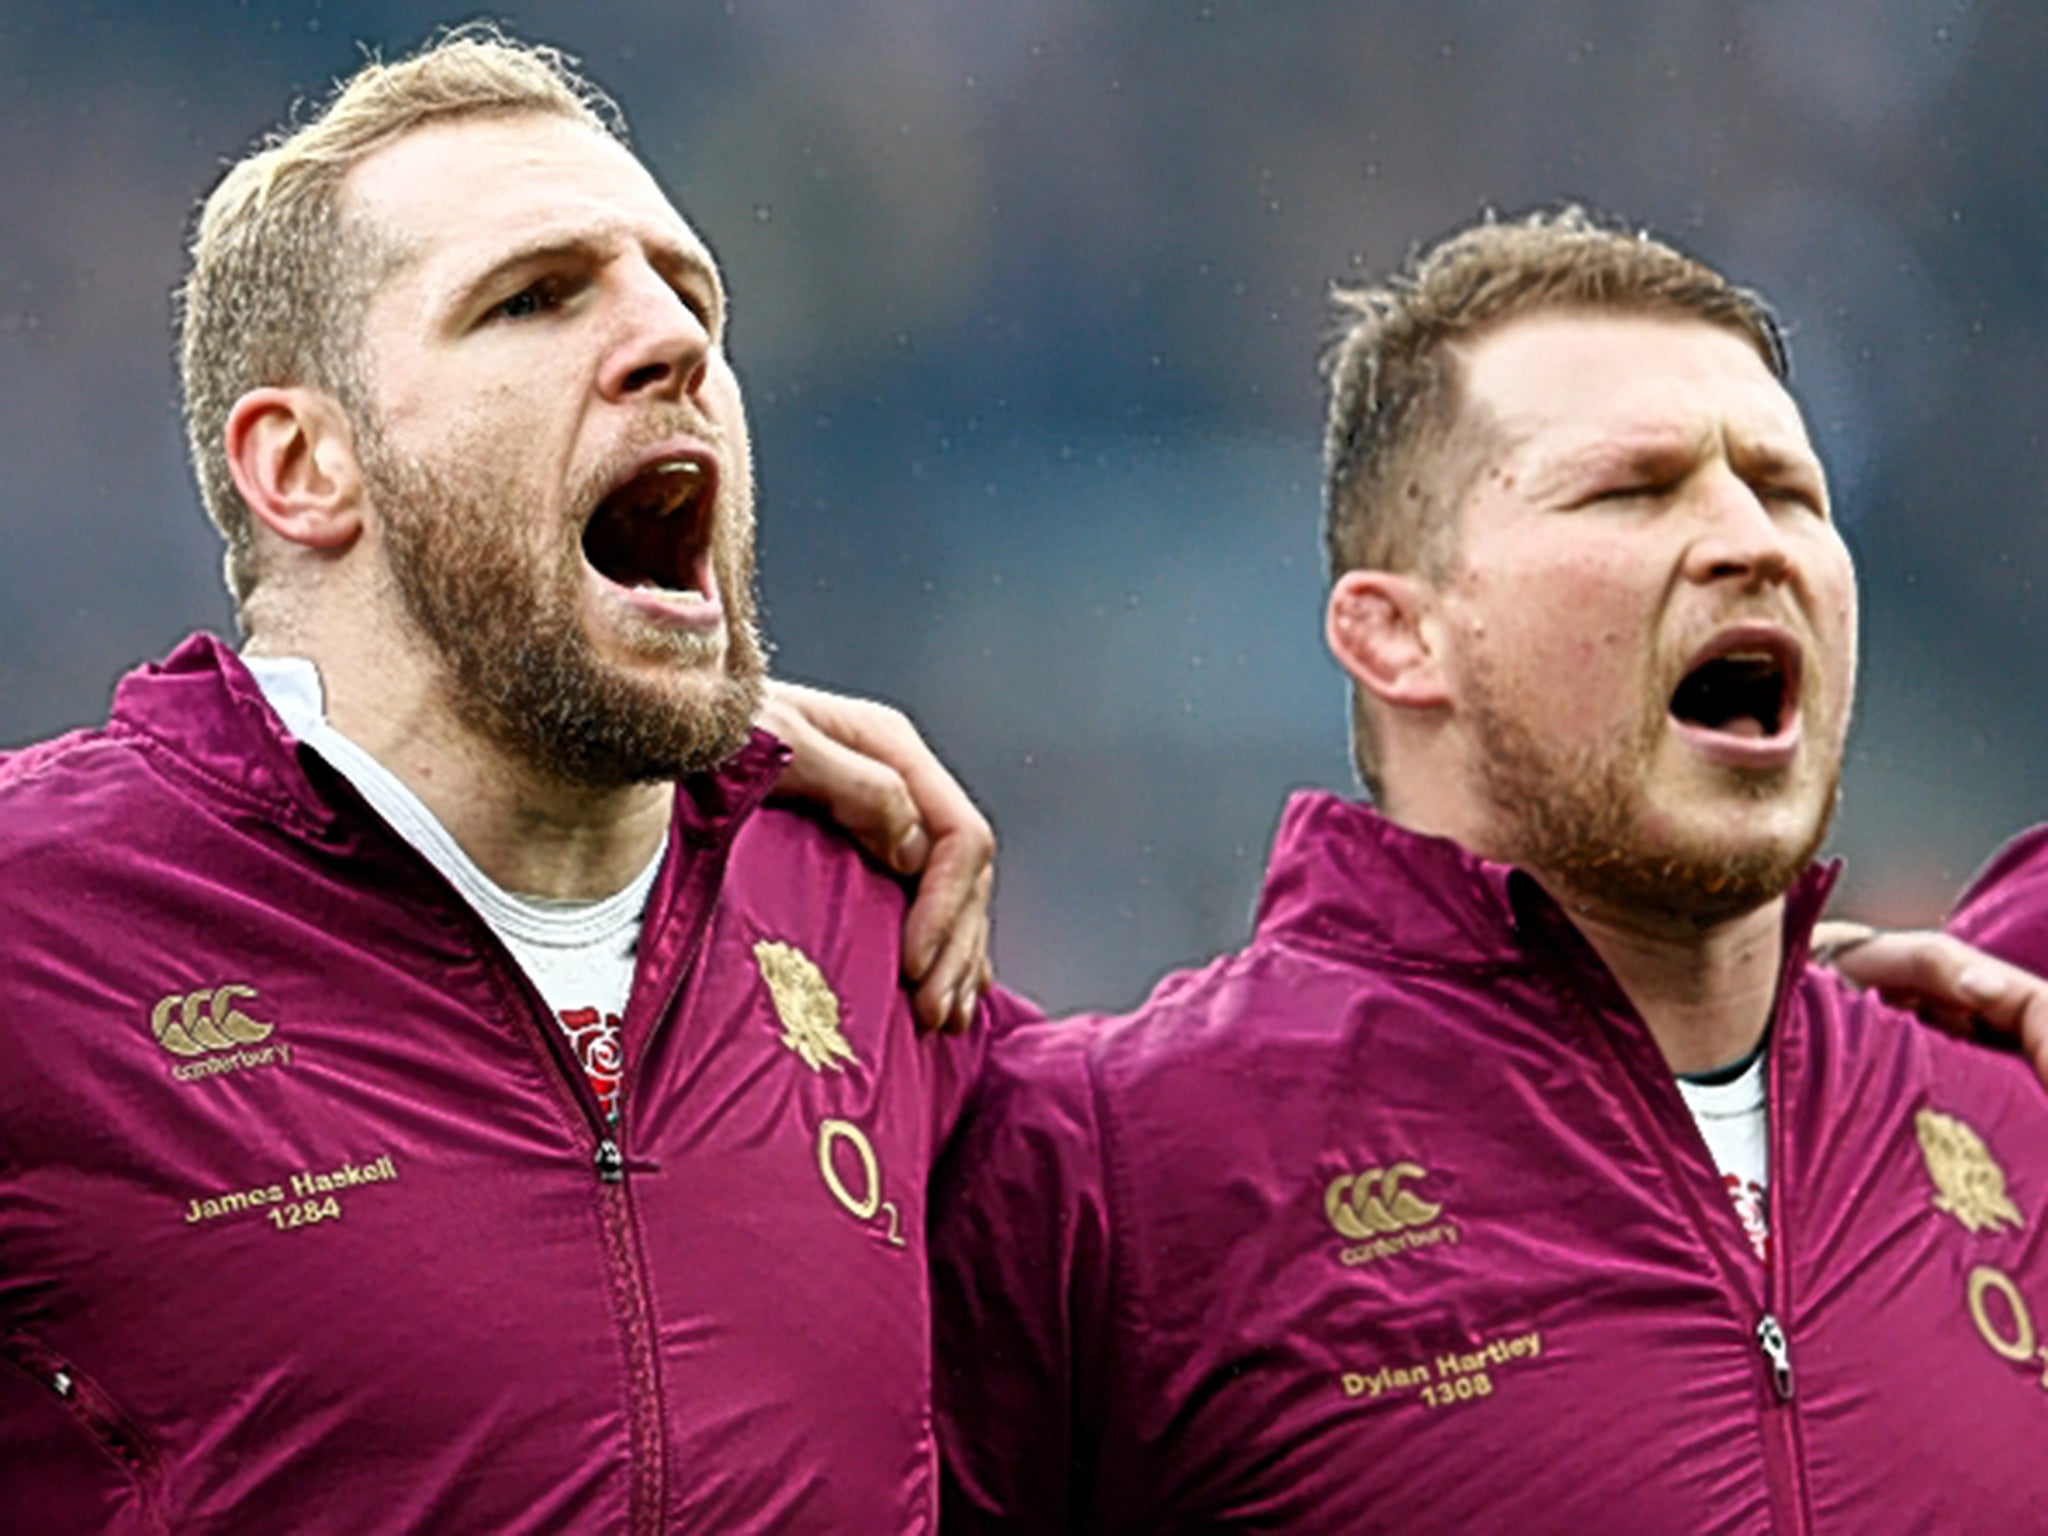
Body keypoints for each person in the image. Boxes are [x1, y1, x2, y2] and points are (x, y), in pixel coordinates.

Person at [0, 27, 1012, 1532]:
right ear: (304, 467)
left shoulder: (869, 913)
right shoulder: (38, 937)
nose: (672, 340)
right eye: (536, 298)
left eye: (691, 294)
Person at [932, 208, 2048, 1532]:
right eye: (1633, 489)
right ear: (1400, 635)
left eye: (1790, 490)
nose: (1752, 540)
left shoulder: (2010, 1108)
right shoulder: (1109, 1165)